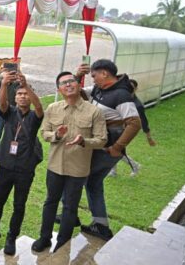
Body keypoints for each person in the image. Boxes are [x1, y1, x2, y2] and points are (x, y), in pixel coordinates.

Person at [31, 72, 107, 252]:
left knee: (70, 207)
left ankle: (62, 243)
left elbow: (102, 140)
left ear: (79, 85)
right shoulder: (53, 108)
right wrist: (56, 135)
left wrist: (84, 141)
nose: (69, 84)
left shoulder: (94, 111)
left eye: (72, 80)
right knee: (50, 202)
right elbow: (44, 133)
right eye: (64, 83)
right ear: (59, 89)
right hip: (55, 166)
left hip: (78, 169)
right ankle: (45, 238)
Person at [74, 59, 141, 240]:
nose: (93, 79)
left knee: (78, 175)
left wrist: (117, 148)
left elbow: (134, 123)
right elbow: (76, 93)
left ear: (104, 73)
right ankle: (101, 226)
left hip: (106, 150)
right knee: (93, 183)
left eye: (94, 75)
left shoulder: (121, 95)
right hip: (102, 147)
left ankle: (69, 214)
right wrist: (77, 76)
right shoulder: (100, 89)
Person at [0, 72, 43, 255]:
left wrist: (27, 84)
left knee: (19, 204)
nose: (23, 96)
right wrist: (4, 85)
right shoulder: (10, 113)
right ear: (15, 98)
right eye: (19, 94)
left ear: (29, 98)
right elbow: (2, 104)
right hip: (6, 166)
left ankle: (11, 238)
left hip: (25, 168)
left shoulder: (34, 116)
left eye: (25, 94)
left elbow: (39, 107)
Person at [0, 64, 21, 160]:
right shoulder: (0, 83)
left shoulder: (16, 84)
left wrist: (19, 71)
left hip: (12, 112)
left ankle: (8, 153)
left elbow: (24, 83)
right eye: (7, 72)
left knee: (10, 134)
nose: (8, 74)